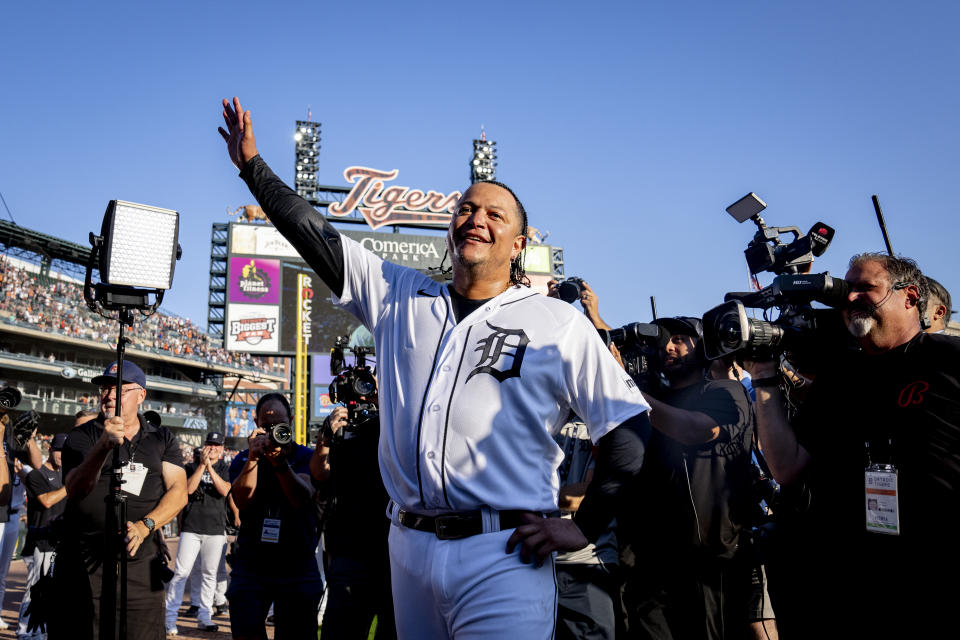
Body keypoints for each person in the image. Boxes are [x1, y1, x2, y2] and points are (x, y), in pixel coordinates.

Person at [220, 96, 651, 639]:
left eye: (495, 214)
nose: (477, 219)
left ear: (518, 244)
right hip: (408, 544)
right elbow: (317, 234)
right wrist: (253, 168)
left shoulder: (555, 321)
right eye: (467, 208)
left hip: (505, 551)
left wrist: (582, 527)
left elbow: (629, 428)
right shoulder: (398, 292)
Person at [744, 253, 960, 637]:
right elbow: (787, 466)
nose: (850, 298)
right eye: (846, 290)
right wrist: (762, 376)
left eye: (865, 288)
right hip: (853, 579)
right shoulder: (841, 379)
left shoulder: (949, 360)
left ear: (909, 297)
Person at [612, 317, 754, 639]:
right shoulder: (648, 398)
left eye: (679, 339)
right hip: (649, 558)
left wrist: (625, 385)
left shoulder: (725, 391)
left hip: (708, 557)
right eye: (664, 340)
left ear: (703, 346)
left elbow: (694, 429)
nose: (669, 346)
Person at [51, 361, 188, 640]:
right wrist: (102, 446)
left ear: (141, 395)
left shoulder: (162, 438)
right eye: (105, 388)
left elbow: (178, 491)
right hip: (83, 565)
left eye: (120, 389)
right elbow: (76, 489)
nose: (109, 395)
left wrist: (145, 525)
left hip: (139, 566)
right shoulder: (82, 435)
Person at [228, 392, 323, 640]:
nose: (272, 432)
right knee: (245, 630)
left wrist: (280, 464)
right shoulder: (244, 458)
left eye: (278, 425)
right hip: (252, 562)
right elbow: (241, 500)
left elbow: (301, 497)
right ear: (256, 424)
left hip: (296, 561)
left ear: (290, 421)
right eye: (266, 427)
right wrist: (253, 458)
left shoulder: (304, 457)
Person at [311, 401, 396, 639]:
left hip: (395, 552)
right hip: (351, 552)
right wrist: (326, 437)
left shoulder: (399, 421)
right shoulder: (345, 428)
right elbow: (319, 475)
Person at [163, 431, 230, 635]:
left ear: (222, 449)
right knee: (181, 572)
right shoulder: (191, 467)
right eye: (210, 444)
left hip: (216, 528)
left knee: (210, 574)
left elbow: (225, 490)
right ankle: (170, 618)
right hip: (192, 527)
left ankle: (204, 616)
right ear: (203, 447)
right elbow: (189, 490)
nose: (213, 448)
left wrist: (210, 466)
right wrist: (202, 465)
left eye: (217, 445)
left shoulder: (224, 468)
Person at [17, 432, 68, 639]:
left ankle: (42, 631)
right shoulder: (37, 475)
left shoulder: (66, 474)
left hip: (58, 541)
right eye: (59, 451)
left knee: (52, 591)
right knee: (34, 589)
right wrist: (71, 485)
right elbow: (47, 501)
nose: (62, 456)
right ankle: (23, 632)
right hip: (39, 540)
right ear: (50, 449)